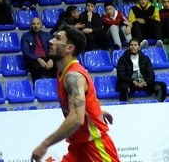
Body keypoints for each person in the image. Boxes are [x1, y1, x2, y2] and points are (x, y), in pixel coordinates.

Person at [31, 25, 120, 162]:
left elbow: (77, 118)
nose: (51, 41)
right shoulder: (63, 72)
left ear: (69, 48)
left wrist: (45, 144)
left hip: (95, 146)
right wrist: (96, 110)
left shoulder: (73, 76)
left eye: (57, 38)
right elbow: (81, 102)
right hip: (78, 147)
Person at [21, 17, 55, 82]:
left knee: (57, 64)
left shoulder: (47, 35)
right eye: (33, 24)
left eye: (38, 24)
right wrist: (38, 59)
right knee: (36, 67)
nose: (36, 26)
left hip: (47, 58)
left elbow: (53, 49)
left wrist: (51, 59)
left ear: (41, 25)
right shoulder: (25, 36)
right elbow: (26, 53)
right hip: (33, 59)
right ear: (30, 25)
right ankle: (38, 86)